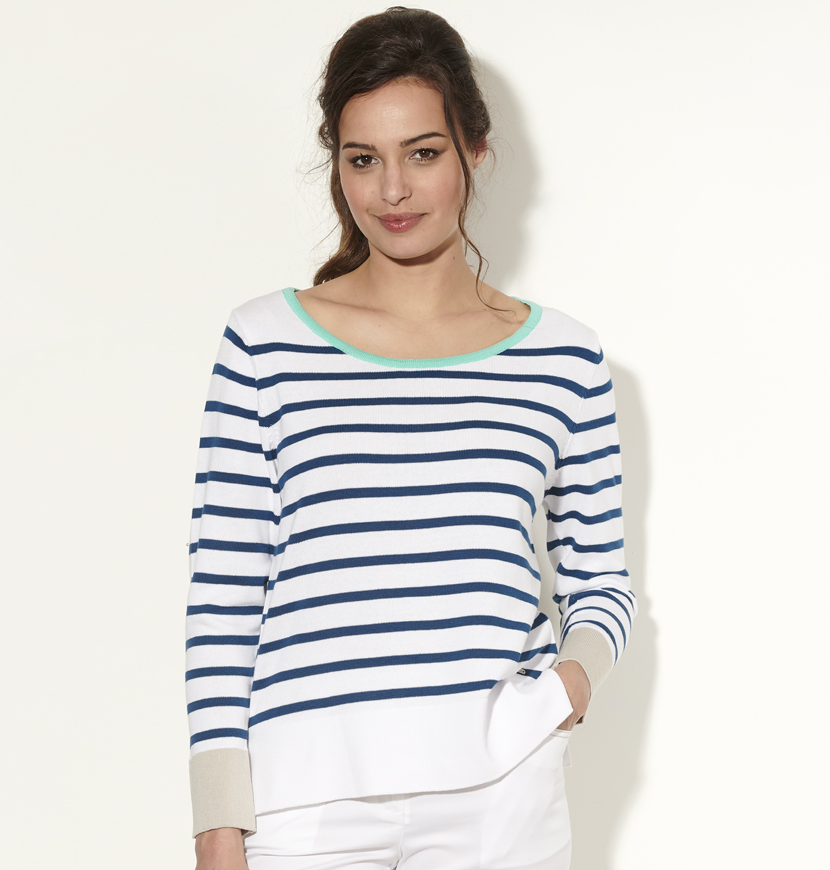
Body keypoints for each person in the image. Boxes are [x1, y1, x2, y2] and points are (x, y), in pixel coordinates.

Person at [185, 7, 636, 869]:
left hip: (503, 794)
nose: (392, 190)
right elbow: (224, 598)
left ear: (475, 149)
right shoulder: (263, 343)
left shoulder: (564, 358)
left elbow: (601, 580)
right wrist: (217, 821)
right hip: (303, 799)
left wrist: (566, 687)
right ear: (338, 165)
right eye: (364, 159)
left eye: (422, 153)